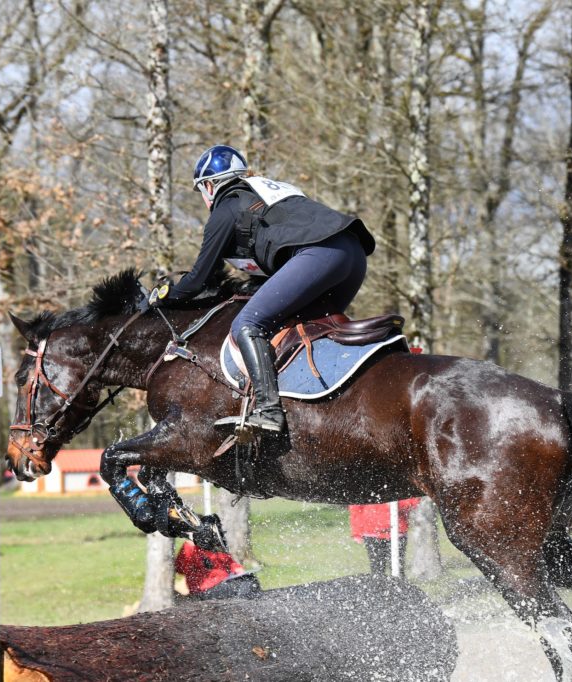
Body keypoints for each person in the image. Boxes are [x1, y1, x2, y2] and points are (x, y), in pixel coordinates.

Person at [150, 145, 375, 435]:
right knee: (305, 329)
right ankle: (321, 409)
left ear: (209, 186)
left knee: (247, 323)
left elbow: (198, 280)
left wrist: (167, 294)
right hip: (352, 254)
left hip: (321, 254)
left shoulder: (227, 207)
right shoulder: (267, 192)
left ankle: (268, 410)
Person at [348, 499, 419, 575]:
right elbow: (355, 508)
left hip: (397, 533)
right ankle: (378, 586)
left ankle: (397, 586)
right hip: (372, 533)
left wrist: (397, 504)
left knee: (397, 569)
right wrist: (357, 532)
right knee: (377, 569)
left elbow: (413, 502)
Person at [173, 540, 261, 600]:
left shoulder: (215, 547)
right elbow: (181, 568)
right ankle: (244, 608)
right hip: (206, 589)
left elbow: (230, 563)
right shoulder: (190, 547)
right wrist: (190, 547)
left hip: (225, 581)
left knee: (251, 579)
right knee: (245, 586)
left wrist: (239, 570)